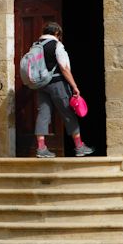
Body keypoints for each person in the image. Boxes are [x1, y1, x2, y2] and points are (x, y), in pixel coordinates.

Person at [34, 22, 94, 158]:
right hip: (57, 84)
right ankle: (79, 147)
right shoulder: (56, 45)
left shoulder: (36, 45)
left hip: (41, 84)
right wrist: (74, 86)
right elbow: (64, 68)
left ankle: (41, 148)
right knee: (68, 112)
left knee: (43, 114)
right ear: (56, 33)